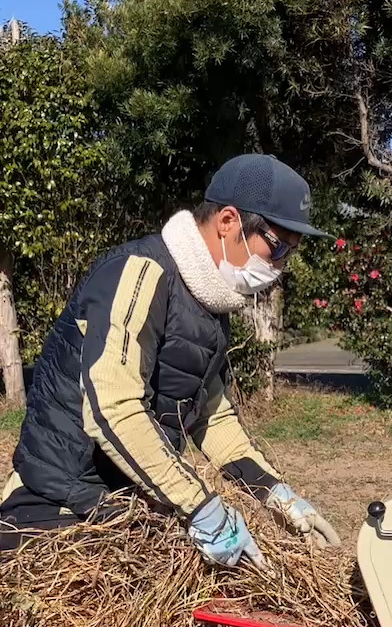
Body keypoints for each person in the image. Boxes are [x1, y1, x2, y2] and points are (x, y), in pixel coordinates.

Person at [0, 154, 340, 567]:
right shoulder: (139, 273)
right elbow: (113, 407)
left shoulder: (209, 307)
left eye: (291, 253)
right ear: (228, 222)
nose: (280, 266)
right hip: (57, 511)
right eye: (277, 246)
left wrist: (277, 494)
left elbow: (211, 417)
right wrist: (200, 507)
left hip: (123, 510)